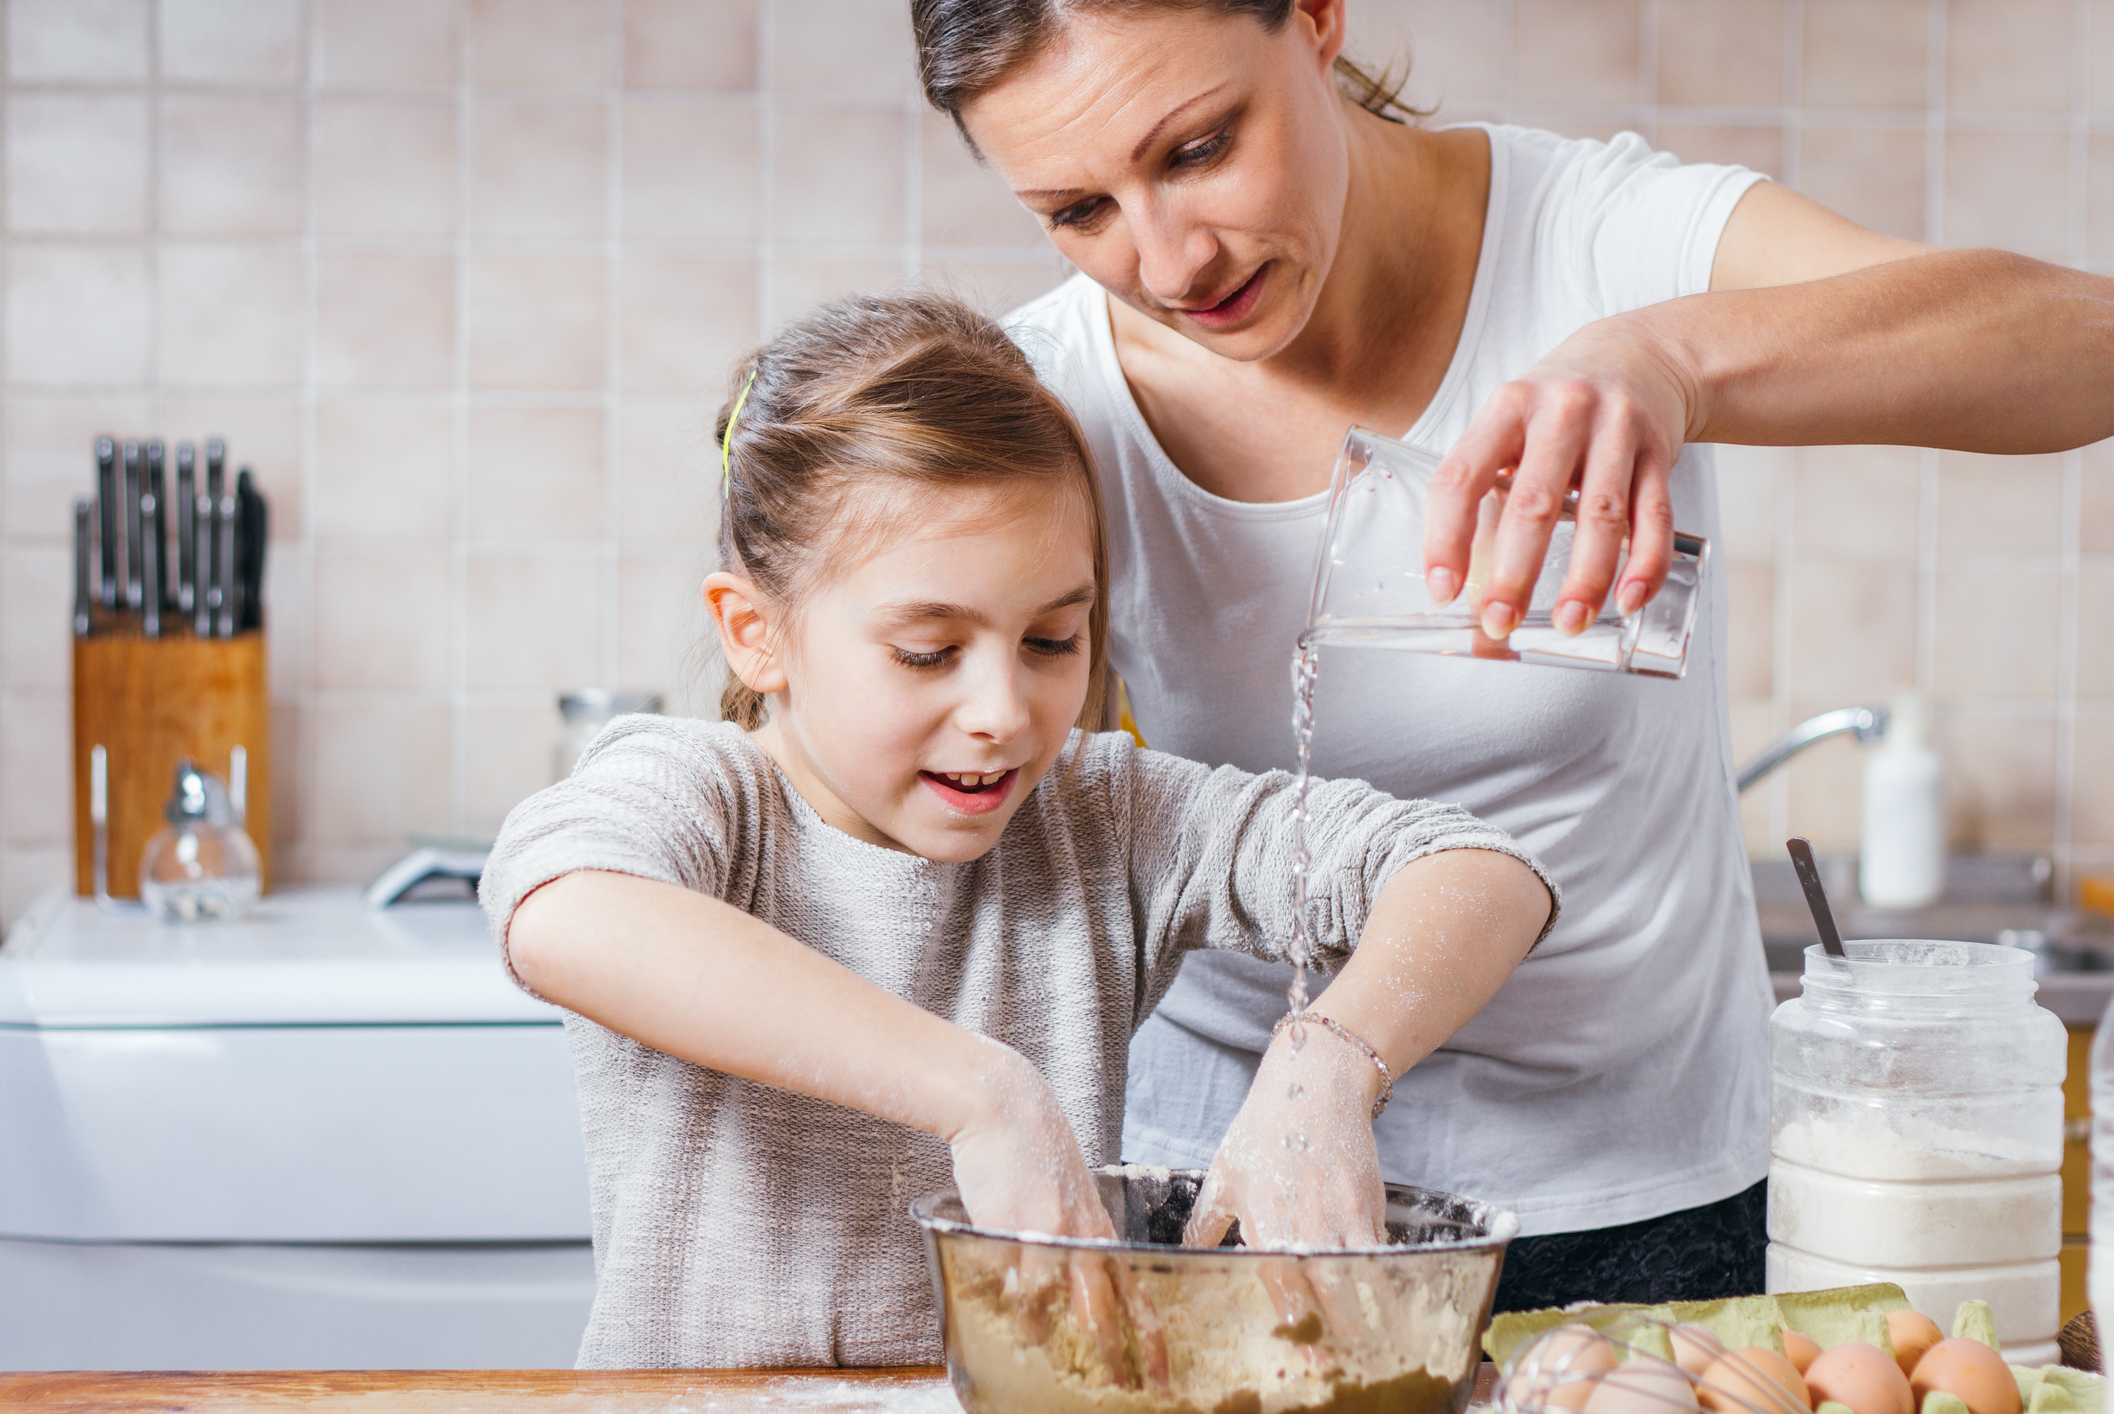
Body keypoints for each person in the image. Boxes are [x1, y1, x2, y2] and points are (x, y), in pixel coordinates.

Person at [907, 0, 2114, 1309]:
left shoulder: (1598, 239)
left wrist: (1669, 357)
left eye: (1198, 147)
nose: (1169, 259)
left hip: (1649, 1193)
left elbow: (2083, 348)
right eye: (1078, 211)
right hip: (1238, 1193)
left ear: (1314, 19)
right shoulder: (1052, 398)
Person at [478, 292, 1556, 1369]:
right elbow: (562, 906)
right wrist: (981, 1095)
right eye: (928, 651)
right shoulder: (705, 795)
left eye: (1051, 637)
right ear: (757, 635)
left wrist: (1328, 1058)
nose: (1003, 708)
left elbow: (1479, 871)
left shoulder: (1101, 815)